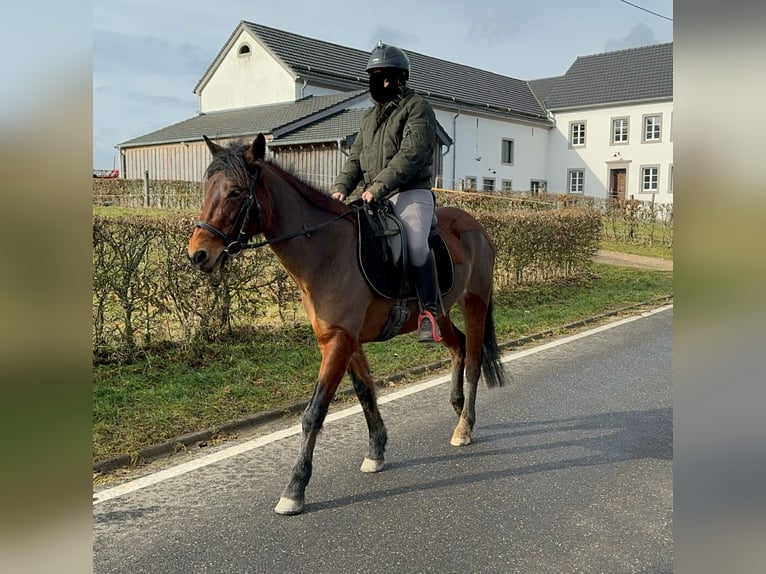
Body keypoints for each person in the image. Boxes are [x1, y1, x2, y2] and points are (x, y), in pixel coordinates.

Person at [331, 41, 442, 342]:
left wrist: (378, 187)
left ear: (400, 78)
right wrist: (341, 188)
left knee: (417, 244)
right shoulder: (368, 119)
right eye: (375, 76)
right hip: (374, 195)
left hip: (409, 192)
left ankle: (429, 314)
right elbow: (355, 158)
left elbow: (412, 154)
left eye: (386, 76)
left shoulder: (418, 108)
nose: (380, 82)